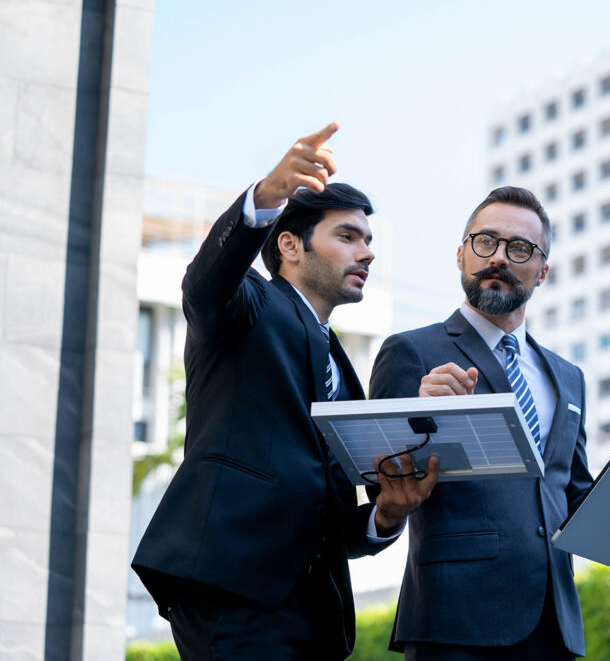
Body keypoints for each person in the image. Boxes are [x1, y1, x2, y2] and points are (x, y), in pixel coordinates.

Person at [132, 123, 438, 660]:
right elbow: (203, 286)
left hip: (314, 613)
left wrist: (386, 516)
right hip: (231, 587)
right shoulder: (247, 303)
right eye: (347, 236)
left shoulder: (343, 370)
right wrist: (266, 197)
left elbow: (330, 516)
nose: (366, 253)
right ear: (290, 244)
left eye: (369, 241)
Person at [368, 186, 610, 659]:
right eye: (485, 241)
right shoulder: (412, 351)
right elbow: (380, 479)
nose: (498, 257)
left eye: (519, 248)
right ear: (461, 254)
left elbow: (569, 493)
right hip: (455, 619)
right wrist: (419, 412)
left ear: (543, 271)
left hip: (553, 622)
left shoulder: (568, 378)